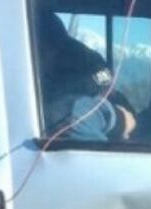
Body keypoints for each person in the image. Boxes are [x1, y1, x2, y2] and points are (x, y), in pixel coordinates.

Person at [35, 12, 136, 143]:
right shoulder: (33, 69)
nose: (40, 56)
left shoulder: (85, 57)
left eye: (44, 50)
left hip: (106, 115)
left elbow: (107, 79)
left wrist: (87, 84)